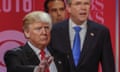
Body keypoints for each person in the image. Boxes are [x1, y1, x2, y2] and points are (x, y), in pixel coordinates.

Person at [48, 0, 115, 72]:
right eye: (78, 3)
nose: (83, 8)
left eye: (86, 3)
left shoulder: (101, 32)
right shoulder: (54, 31)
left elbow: (108, 67)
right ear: (68, 8)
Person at [4, 11, 69, 72]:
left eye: (46, 28)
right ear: (27, 32)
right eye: (38, 28)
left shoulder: (60, 55)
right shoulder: (15, 55)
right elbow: (15, 69)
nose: (44, 32)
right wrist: (37, 69)